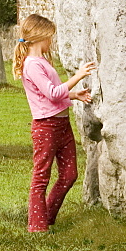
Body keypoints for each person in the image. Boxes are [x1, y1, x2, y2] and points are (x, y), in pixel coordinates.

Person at [15, 13, 96, 233]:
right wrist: (78, 76)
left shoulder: (42, 62)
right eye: (49, 36)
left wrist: (74, 95)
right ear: (40, 36)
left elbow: (55, 95)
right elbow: (51, 94)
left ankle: (47, 216)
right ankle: (37, 227)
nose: (51, 41)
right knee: (41, 175)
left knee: (70, 175)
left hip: (62, 124)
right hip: (46, 126)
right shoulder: (32, 65)